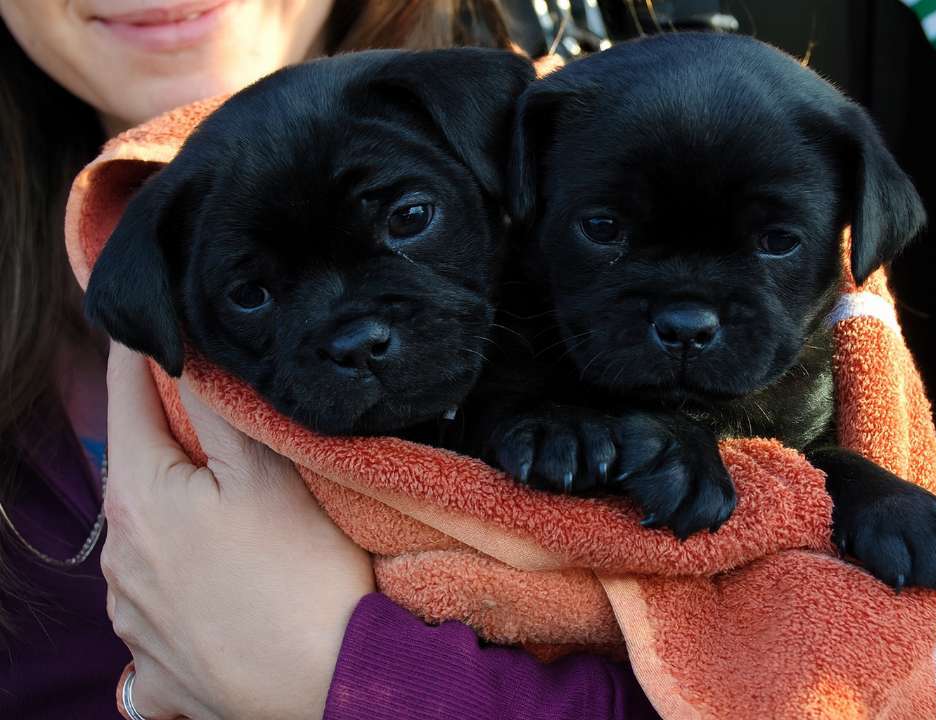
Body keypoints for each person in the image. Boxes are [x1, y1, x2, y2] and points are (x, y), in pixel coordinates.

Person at [0, 2, 658, 718]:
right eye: (251, 294)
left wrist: (340, 680)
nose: (359, 335)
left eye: (408, 219)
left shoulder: (629, 198)